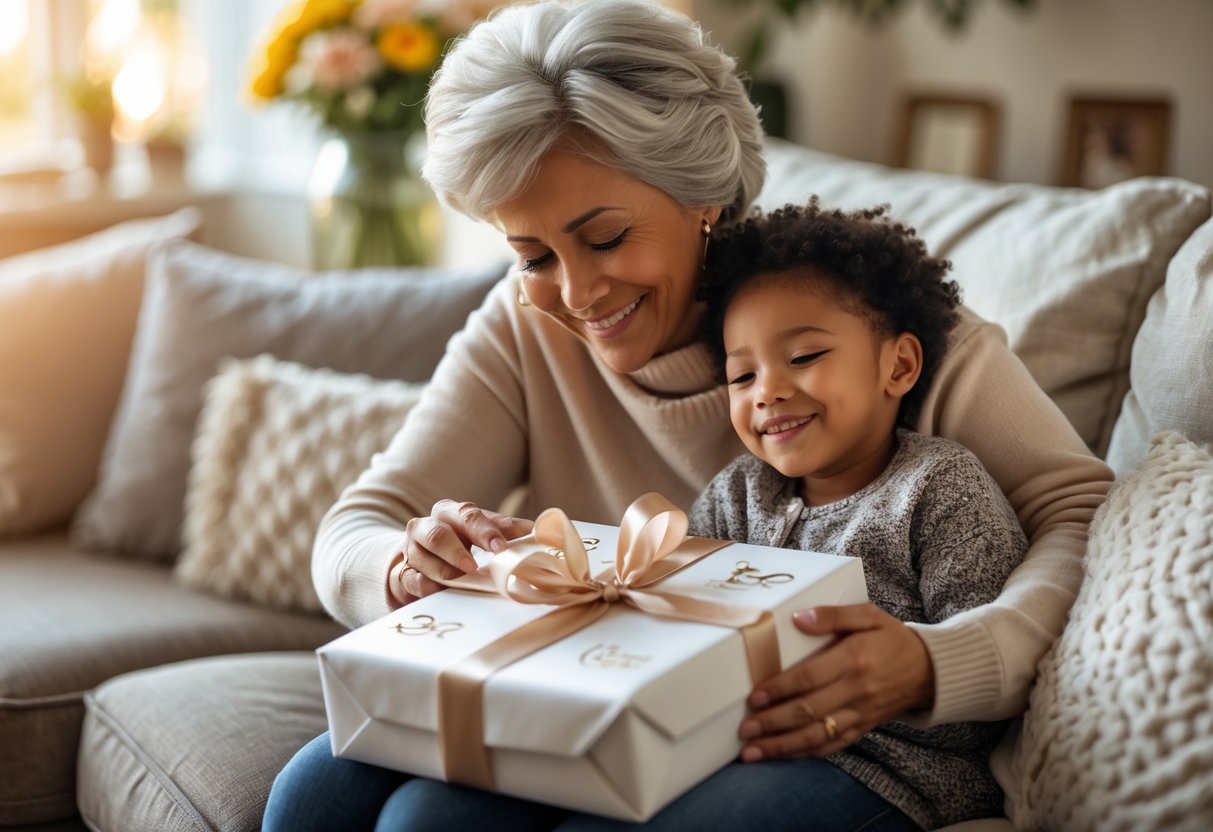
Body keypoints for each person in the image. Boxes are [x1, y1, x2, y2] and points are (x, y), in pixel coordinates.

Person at [264, 1, 1112, 830]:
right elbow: (358, 526)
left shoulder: (874, 329)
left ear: (700, 195)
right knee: (316, 796)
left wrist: (941, 661)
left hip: (819, 744)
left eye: (603, 238)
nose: (577, 293)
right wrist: (406, 567)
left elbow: (1077, 512)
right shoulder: (525, 329)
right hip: (596, 696)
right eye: (531, 255)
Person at [687, 199, 1028, 829]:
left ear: (897, 365)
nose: (767, 391)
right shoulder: (734, 496)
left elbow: (985, 707)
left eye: (805, 357)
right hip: (729, 747)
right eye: (742, 377)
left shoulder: (939, 487)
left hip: (888, 776)